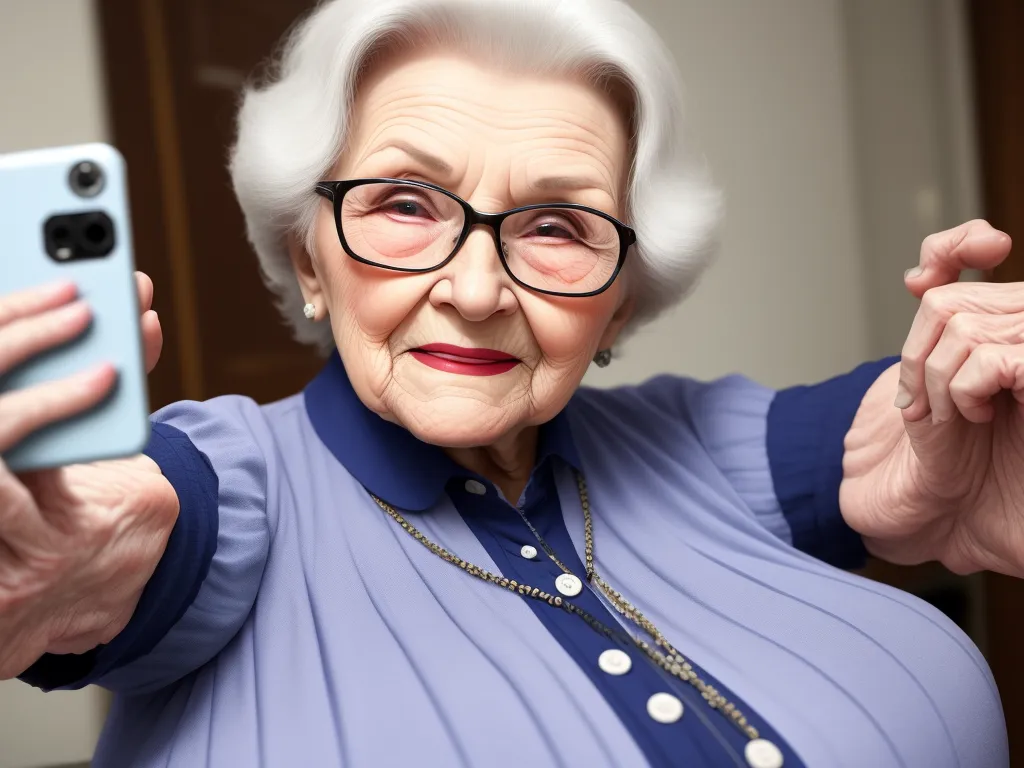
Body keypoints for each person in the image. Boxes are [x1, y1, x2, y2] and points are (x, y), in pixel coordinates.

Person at [2, 0, 1020, 765]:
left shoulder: (696, 442)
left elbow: (909, 426)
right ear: (308, 258)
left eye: (554, 226)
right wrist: (55, 556)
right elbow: (127, 532)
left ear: (618, 298)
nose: (478, 289)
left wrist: (978, 400)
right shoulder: (225, 487)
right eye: (405, 203)